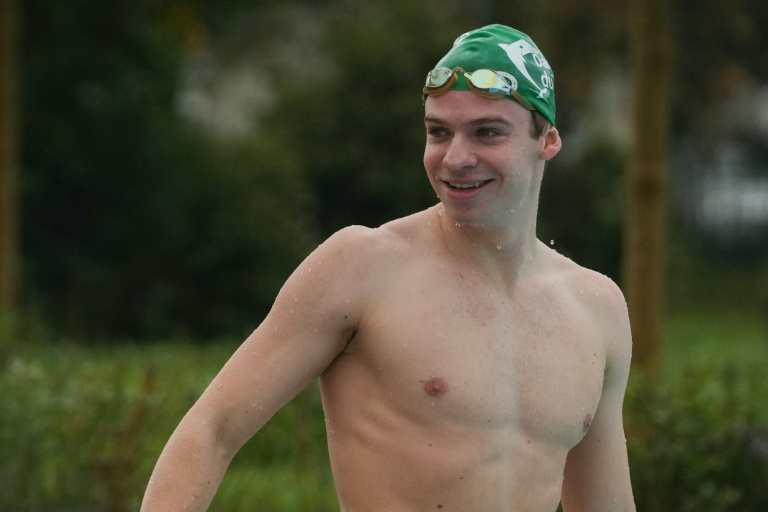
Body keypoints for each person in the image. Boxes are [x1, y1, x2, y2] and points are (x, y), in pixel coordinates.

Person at [141, 24, 636, 512]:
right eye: (439, 132)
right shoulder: (362, 268)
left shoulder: (598, 310)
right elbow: (212, 430)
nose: (456, 158)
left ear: (547, 140)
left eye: (487, 132)